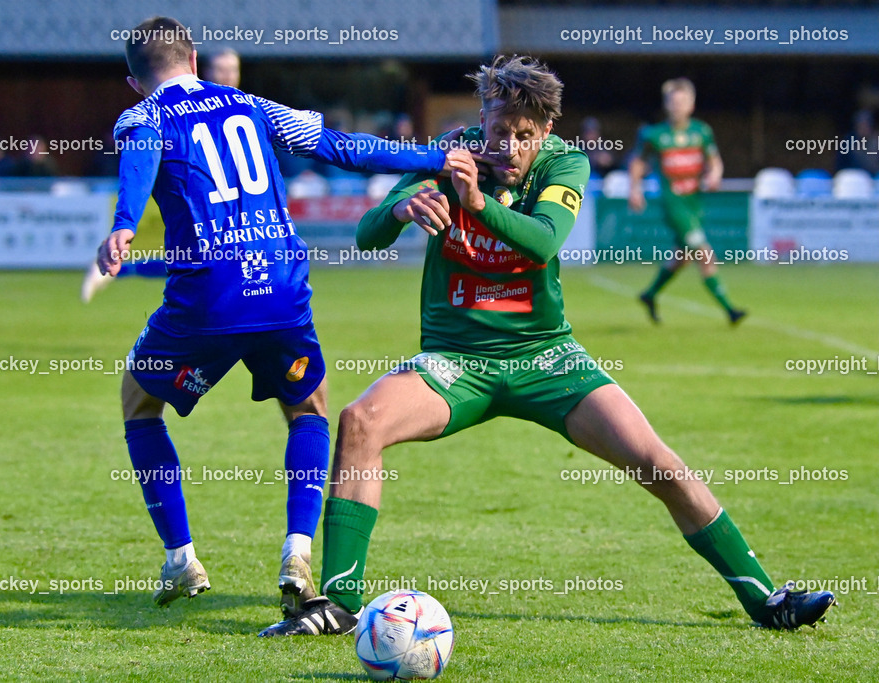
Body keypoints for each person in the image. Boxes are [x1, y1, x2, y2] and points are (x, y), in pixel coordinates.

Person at [259, 56, 835, 637]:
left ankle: (767, 600)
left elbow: (541, 242)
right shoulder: (452, 150)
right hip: (456, 361)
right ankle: (339, 604)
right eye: (498, 131)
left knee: (657, 462)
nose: (508, 146)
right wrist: (399, 209)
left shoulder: (565, 163)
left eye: (524, 136)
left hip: (546, 357)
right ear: (481, 118)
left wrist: (478, 204)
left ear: (546, 133)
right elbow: (366, 235)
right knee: (360, 421)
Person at [95, 16, 466, 615]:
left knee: (139, 403)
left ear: (135, 82)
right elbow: (343, 147)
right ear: (193, 58)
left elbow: (139, 161)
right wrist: (433, 156)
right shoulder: (253, 105)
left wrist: (123, 225)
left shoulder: (140, 116)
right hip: (279, 289)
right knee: (308, 409)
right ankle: (297, 549)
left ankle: (181, 557)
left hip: (207, 298)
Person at [81, 48, 249, 302]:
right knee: (204, 263)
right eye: (220, 69)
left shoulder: (244, 106)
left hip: (236, 204)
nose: (227, 76)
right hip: (196, 198)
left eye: (232, 69)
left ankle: (119, 273)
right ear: (199, 68)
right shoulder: (175, 108)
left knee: (217, 268)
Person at [629, 78, 745, 325]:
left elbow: (714, 160)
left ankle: (650, 294)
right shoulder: (655, 135)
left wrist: (715, 174)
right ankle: (730, 311)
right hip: (674, 205)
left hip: (695, 203)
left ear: (691, 105)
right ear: (666, 104)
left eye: (683, 101)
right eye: (674, 101)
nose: (678, 106)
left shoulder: (701, 131)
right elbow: (638, 162)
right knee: (705, 254)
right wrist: (634, 190)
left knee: (682, 257)